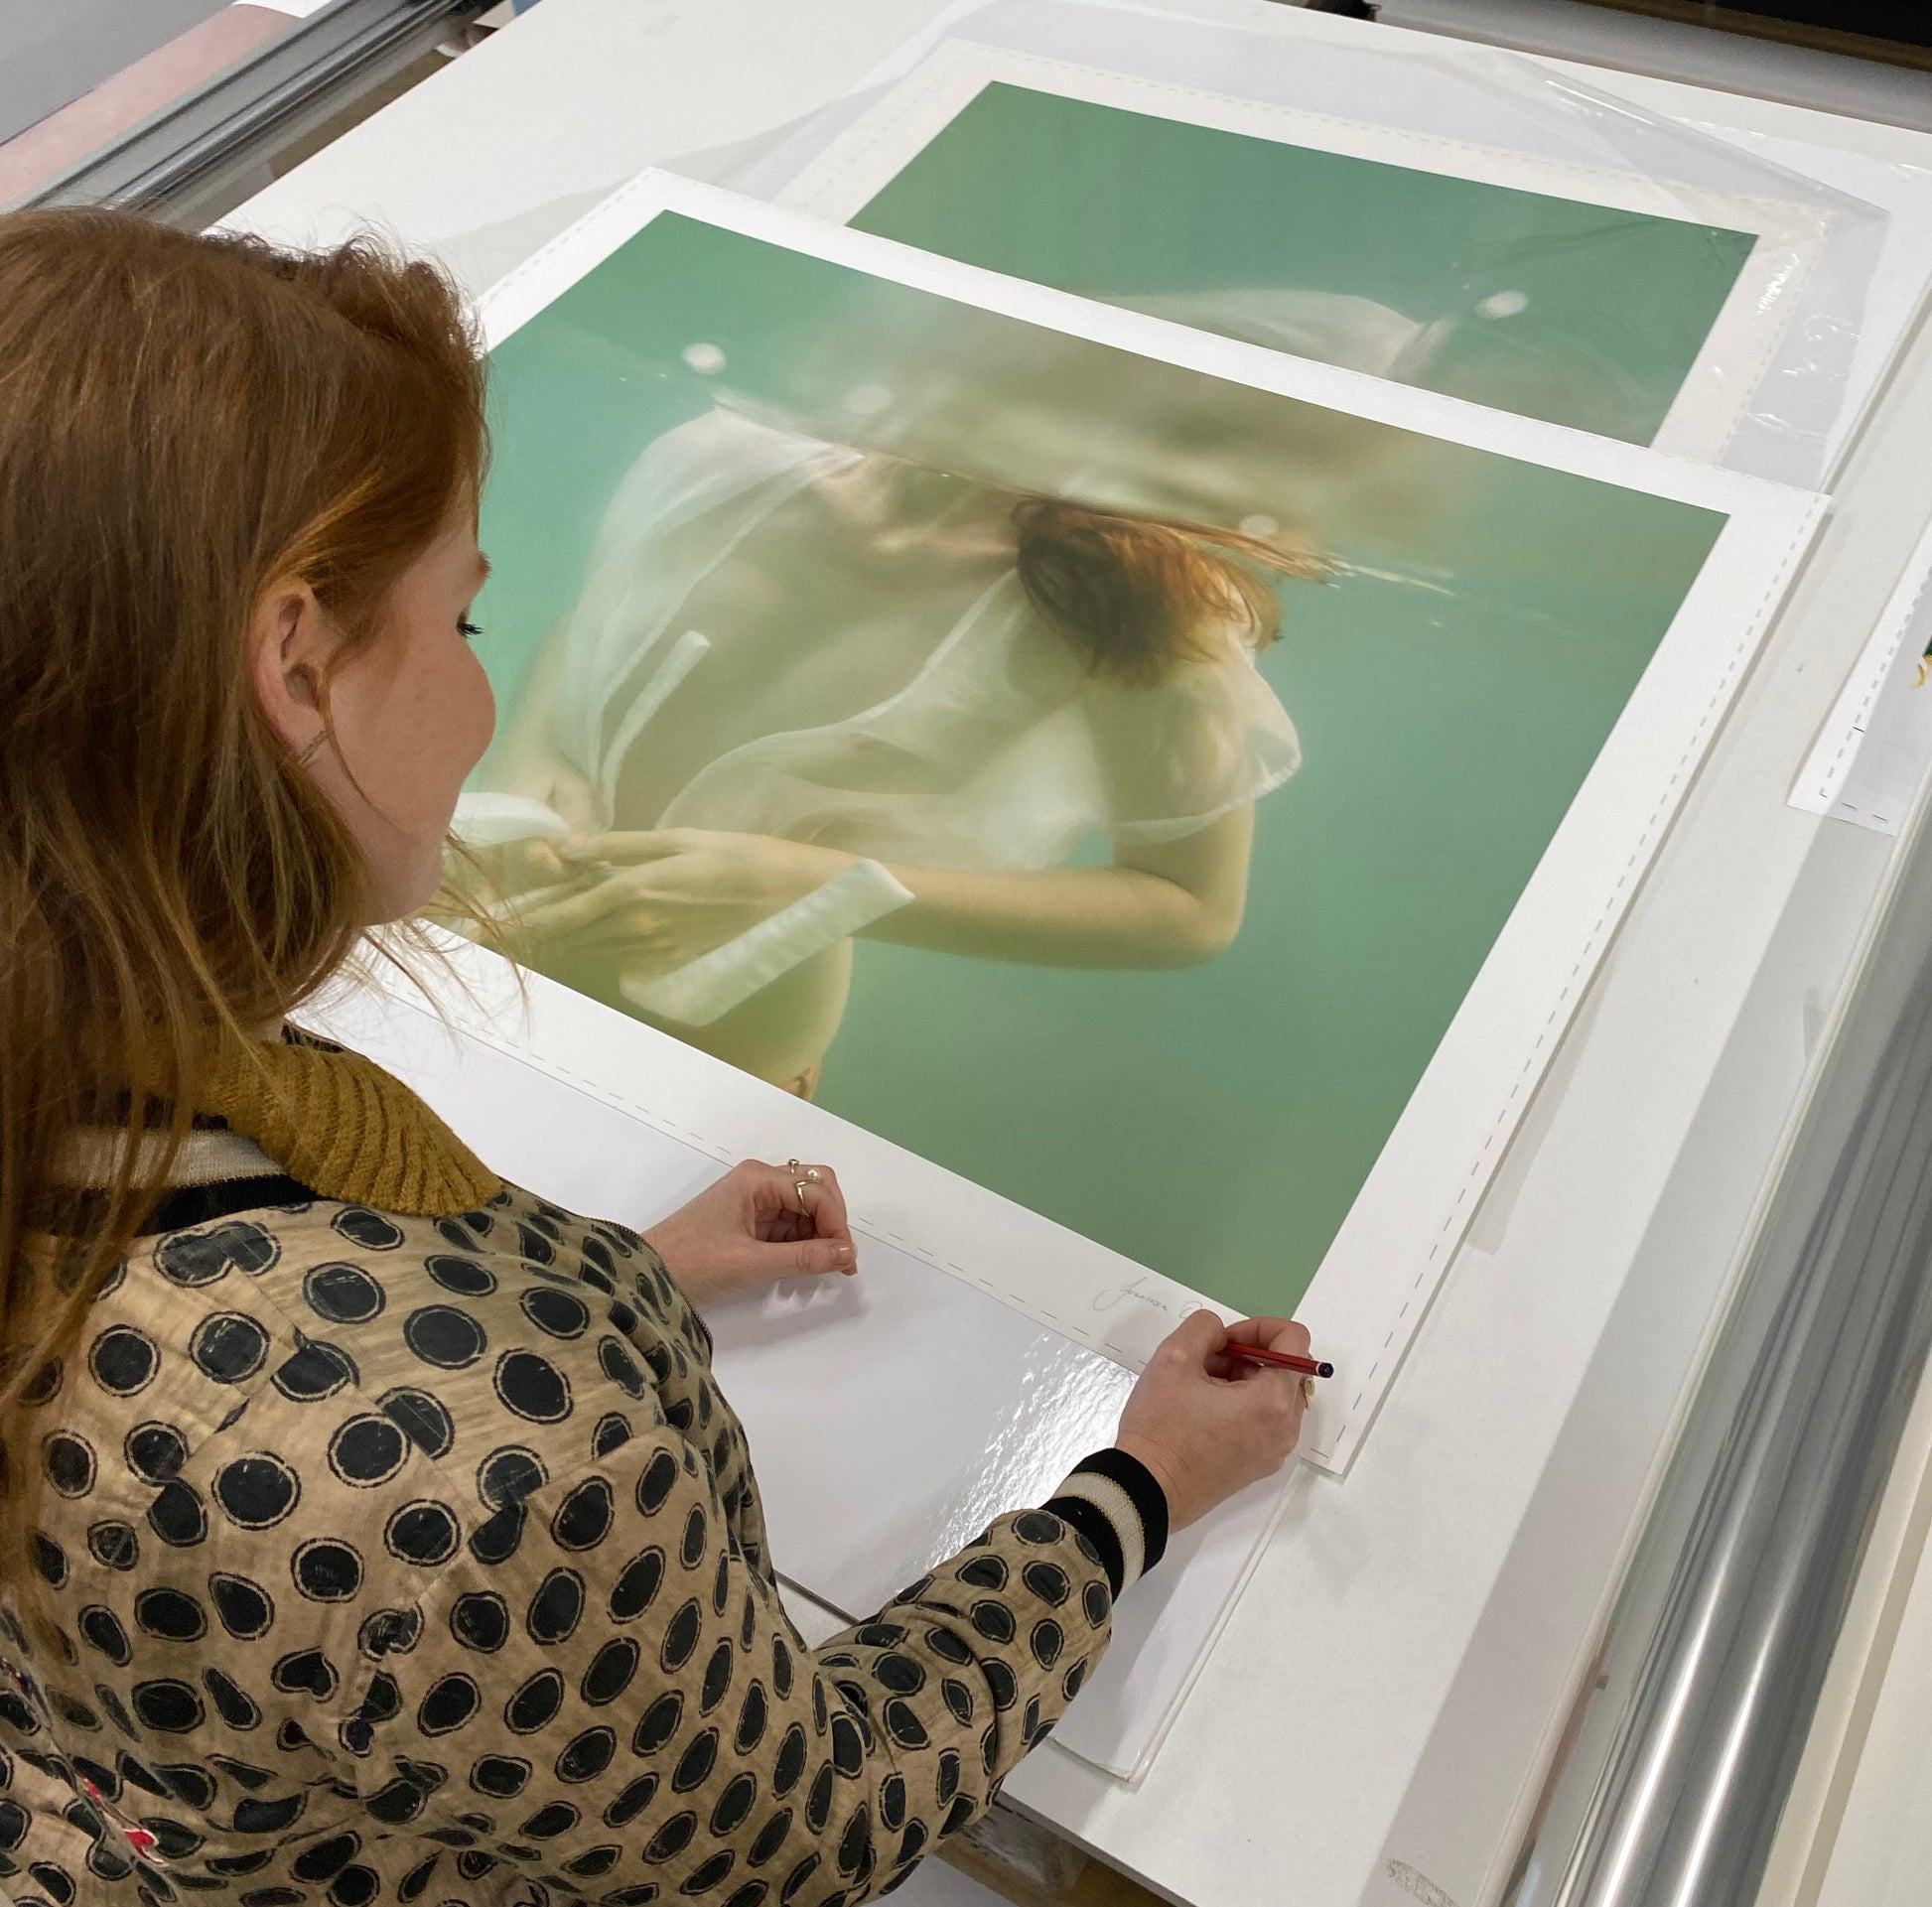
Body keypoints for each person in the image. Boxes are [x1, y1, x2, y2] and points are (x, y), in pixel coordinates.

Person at [0, 209, 1313, 1904]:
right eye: (461, 628)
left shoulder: (105, 1081)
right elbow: (795, 1825)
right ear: (296, 670)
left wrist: (615, 1278)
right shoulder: (488, 1474)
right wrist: (1136, 1490)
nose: (481, 701)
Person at [467, 399, 1329, 1096]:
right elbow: (602, 622)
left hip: (720, 1056)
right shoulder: (729, 451)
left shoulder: (1151, 598)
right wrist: (538, 754)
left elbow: (1190, 908)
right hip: (480, 939)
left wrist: (810, 886)